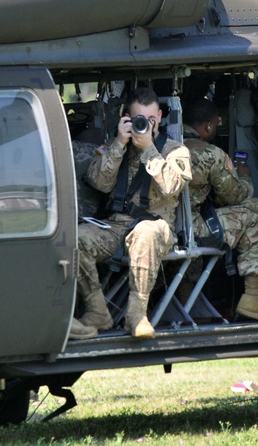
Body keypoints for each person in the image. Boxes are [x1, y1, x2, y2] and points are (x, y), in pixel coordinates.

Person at [71, 87, 192, 340]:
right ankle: (97, 312)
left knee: (146, 233)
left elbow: (172, 187)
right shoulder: (117, 145)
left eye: (149, 120)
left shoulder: (175, 150)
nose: (144, 126)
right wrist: (118, 145)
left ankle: (137, 316)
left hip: (154, 226)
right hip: (116, 227)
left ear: (159, 117)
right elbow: (98, 183)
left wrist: (149, 148)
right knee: (75, 238)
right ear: (126, 117)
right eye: (138, 120)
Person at [182, 98, 258, 322]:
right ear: (210, 126)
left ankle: (185, 295)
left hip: (158, 227)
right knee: (256, 211)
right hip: (190, 230)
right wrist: (243, 175)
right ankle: (254, 297)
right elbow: (236, 196)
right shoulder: (211, 154)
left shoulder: (159, 146)